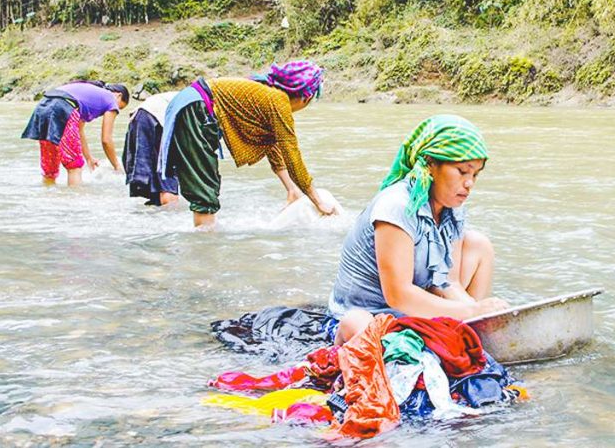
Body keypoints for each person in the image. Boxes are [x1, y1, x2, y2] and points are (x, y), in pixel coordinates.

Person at [326, 115, 509, 344]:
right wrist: (471, 311)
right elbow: (398, 295)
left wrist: (479, 313)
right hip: (366, 316)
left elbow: (447, 283)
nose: (469, 183)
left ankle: (473, 333)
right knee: (360, 325)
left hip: (412, 311)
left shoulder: (453, 207)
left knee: (478, 244)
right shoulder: (397, 206)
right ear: (430, 164)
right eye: (462, 171)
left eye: (475, 174)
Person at [145, 60, 337, 228]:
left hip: (193, 105)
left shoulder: (269, 94)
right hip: (196, 108)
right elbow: (292, 156)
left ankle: (204, 236)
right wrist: (318, 202)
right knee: (204, 192)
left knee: (206, 187)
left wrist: (292, 189)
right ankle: (205, 244)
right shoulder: (278, 101)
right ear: (307, 97)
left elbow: (273, 146)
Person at [21, 80, 129, 186]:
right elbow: (106, 140)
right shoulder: (111, 99)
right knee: (74, 166)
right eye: (120, 107)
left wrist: (89, 158)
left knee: (50, 167)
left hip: (43, 106)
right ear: (118, 95)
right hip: (63, 108)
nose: (116, 109)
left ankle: (48, 193)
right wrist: (117, 166)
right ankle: (74, 196)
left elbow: (79, 130)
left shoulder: (88, 93)